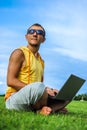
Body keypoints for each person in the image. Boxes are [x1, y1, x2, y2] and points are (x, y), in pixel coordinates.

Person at [5, 23, 68, 115]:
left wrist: (50, 90)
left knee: (65, 95)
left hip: (33, 97)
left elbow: (40, 86)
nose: (35, 34)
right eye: (31, 31)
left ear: (43, 39)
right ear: (26, 36)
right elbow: (10, 81)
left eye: (39, 32)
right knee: (39, 87)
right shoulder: (19, 53)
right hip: (14, 99)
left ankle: (47, 109)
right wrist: (43, 89)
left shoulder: (41, 61)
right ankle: (48, 109)